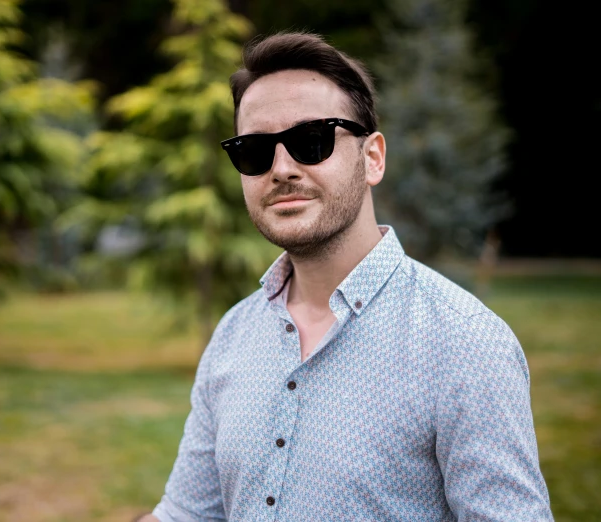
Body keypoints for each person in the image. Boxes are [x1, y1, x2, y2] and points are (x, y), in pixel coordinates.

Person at [138, 32, 553, 522]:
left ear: (372, 157)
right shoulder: (234, 333)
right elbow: (187, 515)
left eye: (310, 141)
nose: (281, 168)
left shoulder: (463, 342)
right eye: (254, 150)